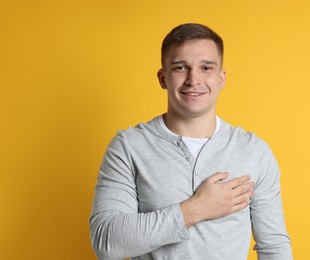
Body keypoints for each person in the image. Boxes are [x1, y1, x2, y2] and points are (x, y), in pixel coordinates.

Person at [89, 23, 292, 260]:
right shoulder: (128, 146)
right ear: (163, 78)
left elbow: (274, 247)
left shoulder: (254, 151)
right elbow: (106, 241)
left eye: (206, 67)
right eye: (180, 67)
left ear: (221, 78)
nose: (193, 79)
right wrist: (196, 209)